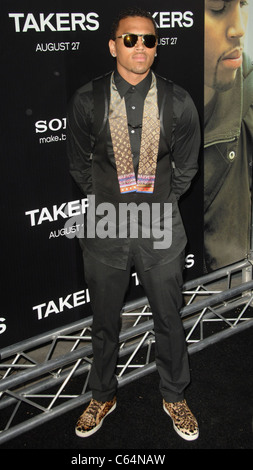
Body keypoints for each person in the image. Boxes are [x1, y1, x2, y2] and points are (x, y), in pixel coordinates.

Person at [67, 7, 201, 441]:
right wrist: (109, 197)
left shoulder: (177, 101)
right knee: (104, 320)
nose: (140, 46)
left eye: (148, 40)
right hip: (106, 222)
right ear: (113, 45)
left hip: (159, 221)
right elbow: (79, 166)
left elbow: (186, 168)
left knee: (168, 316)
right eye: (130, 39)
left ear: (156, 48)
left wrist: (158, 201)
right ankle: (102, 394)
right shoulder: (88, 100)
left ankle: (175, 395)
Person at [204, 0, 253, 271]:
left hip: (230, 299)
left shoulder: (247, 84)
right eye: (217, 6)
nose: (239, 28)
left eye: (243, 3)